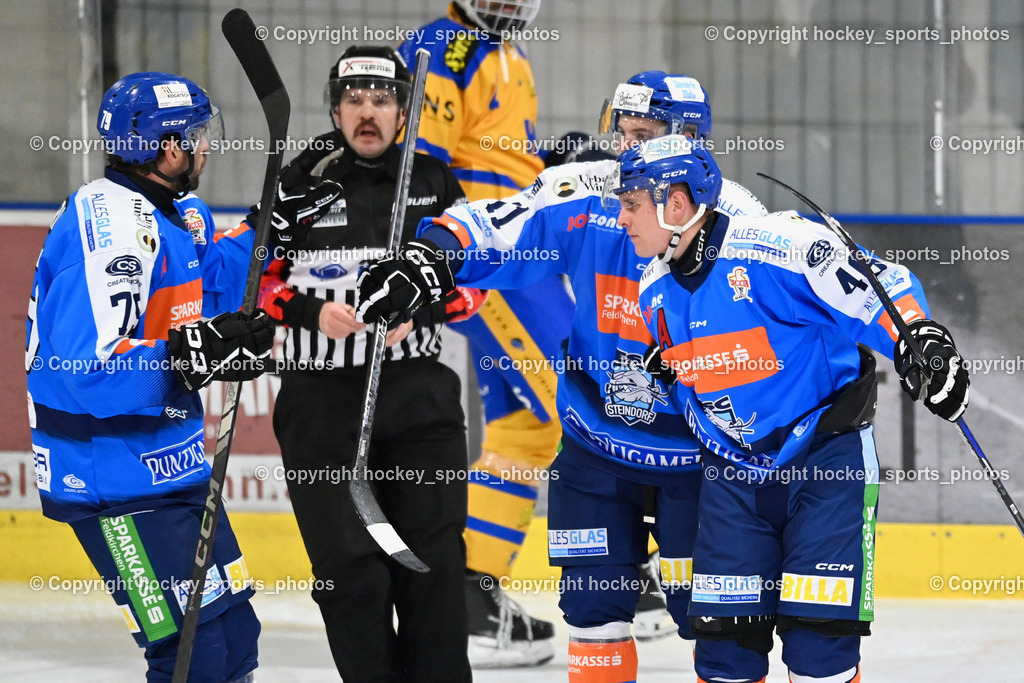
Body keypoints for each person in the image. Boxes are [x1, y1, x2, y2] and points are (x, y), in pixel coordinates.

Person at [356, 72, 767, 682]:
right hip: (597, 456)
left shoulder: (740, 219)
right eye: (621, 134)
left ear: (687, 140)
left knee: (720, 629)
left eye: (643, 135)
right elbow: (502, 221)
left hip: (698, 461)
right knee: (594, 620)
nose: (626, 151)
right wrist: (430, 257)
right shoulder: (592, 191)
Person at [618, 136, 970, 682]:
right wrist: (668, 372)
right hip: (733, 478)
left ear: (676, 204)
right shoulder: (653, 290)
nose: (622, 219)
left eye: (632, 203)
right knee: (725, 653)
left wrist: (918, 336)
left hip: (825, 465)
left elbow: (879, 284)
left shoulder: (777, 246)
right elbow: (703, 369)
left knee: (818, 649)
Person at [25, 72, 272, 682]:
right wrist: (192, 356)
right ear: (166, 148)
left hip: (171, 466)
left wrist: (274, 229)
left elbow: (212, 289)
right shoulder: (108, 231)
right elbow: (91, 370)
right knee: (192, 653)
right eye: (196, 135)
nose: (206, 146)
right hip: (110, 479)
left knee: (234, 638)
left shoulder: (179, 212)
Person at [251, 45, 471, 682]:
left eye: (381, 100)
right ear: (334, 110)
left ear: (403, 111)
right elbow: (253, 280)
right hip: (321, 404)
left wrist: (423, 306)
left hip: (418, 397)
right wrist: (308, 311)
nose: (367, 112)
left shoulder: (433, 181)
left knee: (431, 567)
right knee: (350, 575)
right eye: (354, 100)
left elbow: (475, 284)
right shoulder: (299, 181)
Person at [399, 0, 566, 666]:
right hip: (492, 262)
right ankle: (628, 575)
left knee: (526, 431)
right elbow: (420, 166)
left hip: (520, 257)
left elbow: (499, 160)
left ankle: (469, 598)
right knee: (581, 398)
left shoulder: (505, 52)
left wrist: (554, 168)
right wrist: (435, 261)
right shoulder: (447, 47)